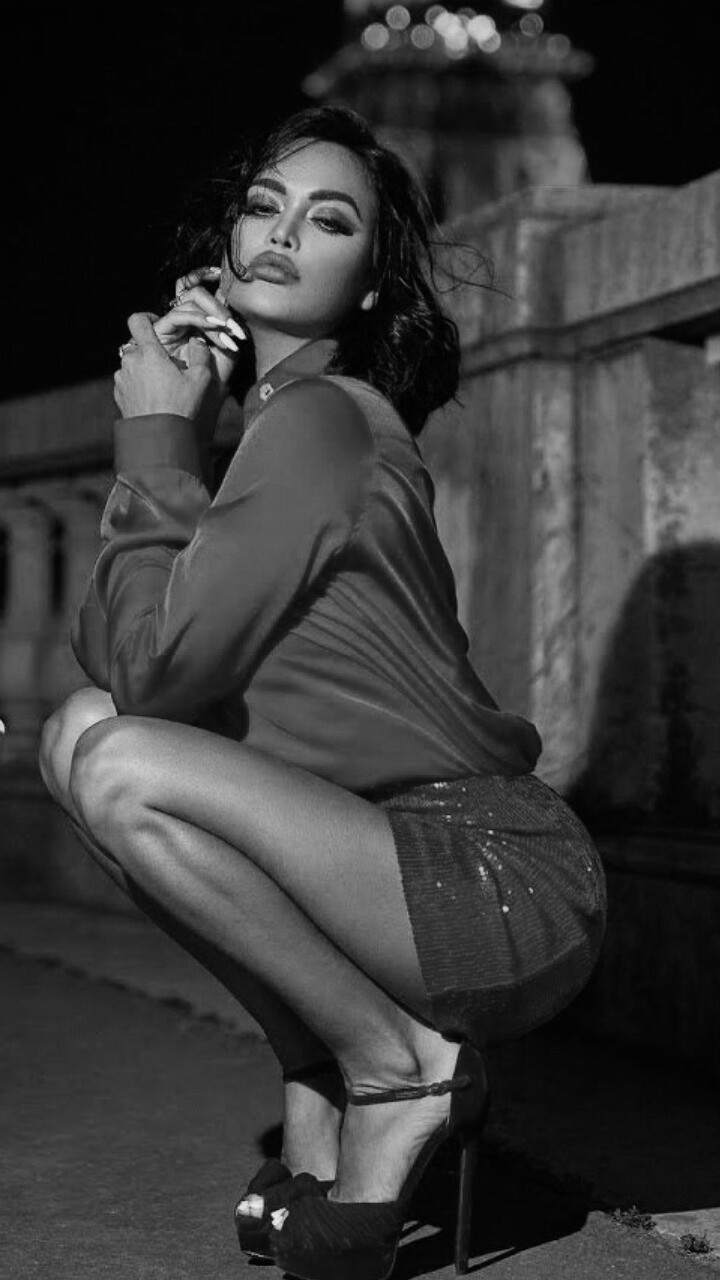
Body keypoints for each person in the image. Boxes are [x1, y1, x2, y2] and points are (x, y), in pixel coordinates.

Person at [38, 105, 607, 1280]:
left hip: (486, 873)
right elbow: (120, 661)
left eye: (329, 219)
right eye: (264, 206)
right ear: (227, 243)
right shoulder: (272, 428)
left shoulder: (321, 422)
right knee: (80, 731)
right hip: (381, 856)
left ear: (369, 284)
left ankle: (395, 1070)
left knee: (120, 760)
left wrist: (156, 437)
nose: (284, 234)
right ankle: (322, 1074)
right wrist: (175, 437)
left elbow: (155, 672)